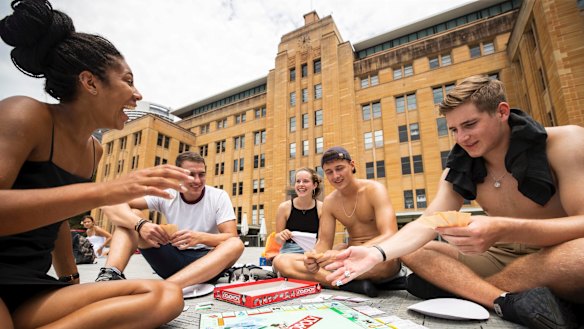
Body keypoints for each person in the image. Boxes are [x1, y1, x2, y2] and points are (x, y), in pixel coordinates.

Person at [325, 76, 584, 328]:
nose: (462, 138)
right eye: (453, 130)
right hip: (496, 256)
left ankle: (464, 288)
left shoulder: (565, 142)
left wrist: (505, 228)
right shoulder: (459, 168)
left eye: (470, 125)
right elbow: (428, 223)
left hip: (556, 252)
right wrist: (375, 253)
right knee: (412, 249)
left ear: (502, 112)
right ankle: (502, 300)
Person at [0, 1, 191, 328]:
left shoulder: (94, 151)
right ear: (89, 83)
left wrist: (70, 282)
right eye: (128, 81)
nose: (137, 94)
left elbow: (56, 220)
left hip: (29, 288)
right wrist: (102, 192)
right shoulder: (25, 114)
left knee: (165, 296)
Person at [97, 151, 245, 295]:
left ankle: (165, 287)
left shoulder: (218, 196)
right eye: (191, 175)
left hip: (207, 263)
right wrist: (141, 225)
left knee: (236, 244)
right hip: (171, 258)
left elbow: (231, 236)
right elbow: (110, 202)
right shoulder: (167, 194)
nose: (197, 181)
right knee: (133, 216)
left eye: (202, 174)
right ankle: (110, 275)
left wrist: (200, 238)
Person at [273, 147, 405, 297]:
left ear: (352, 165)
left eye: (339, 168)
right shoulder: (330, 201)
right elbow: (323, 242)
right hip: (346, 259)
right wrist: (314, 258)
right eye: (329, 172)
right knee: (281, 261)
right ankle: (348, 284)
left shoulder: (374, 189)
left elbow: (390, 234)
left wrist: (340, 255)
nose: (335, 175)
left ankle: (335, 280)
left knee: (380, 263)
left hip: (377, 255)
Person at [273, 167, 323, 255]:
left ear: (314, 185)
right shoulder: (284, 207)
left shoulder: (322, 208)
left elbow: (323, 240)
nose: (301, 184)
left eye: (305, 181)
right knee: (279, 262)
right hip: (289, 251)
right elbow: (278, 239)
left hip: (313, 251)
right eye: (298, 181)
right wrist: (282, 235)